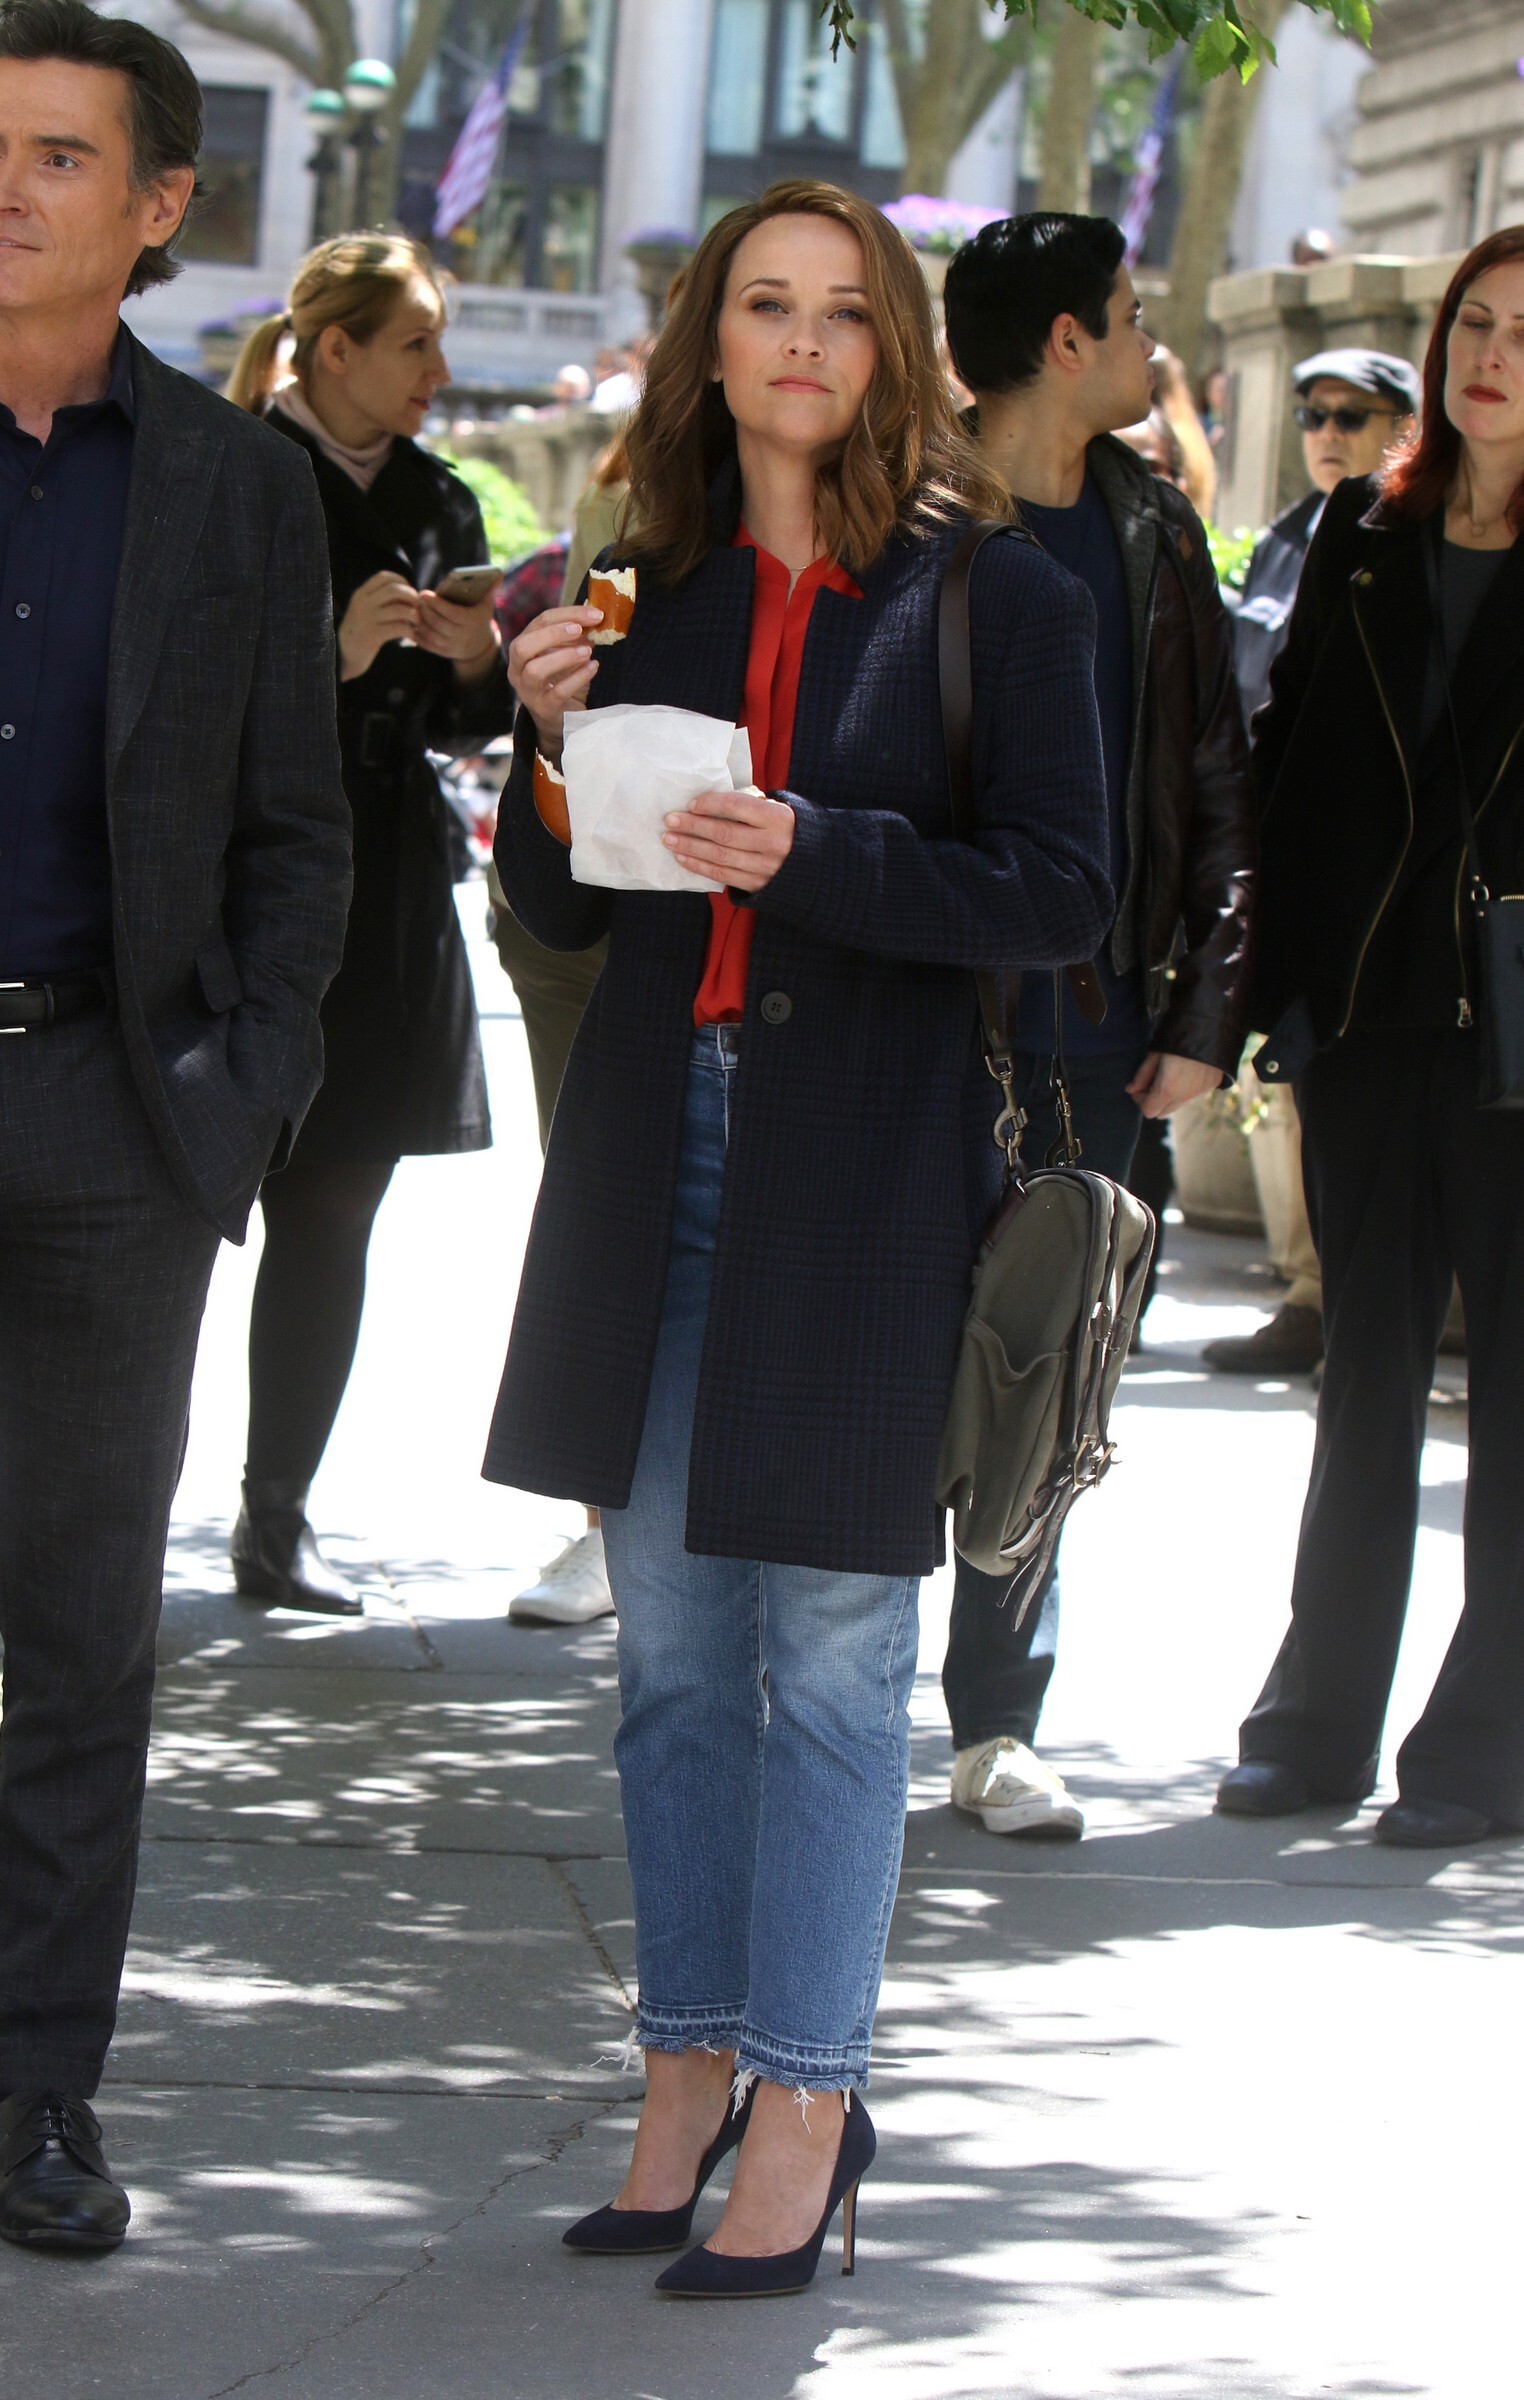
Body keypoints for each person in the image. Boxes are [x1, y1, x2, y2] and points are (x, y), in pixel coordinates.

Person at [489, 178, 1111, 2293]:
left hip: (867, 1172)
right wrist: (545, 753)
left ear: (894, 349)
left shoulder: (994, 596)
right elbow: (561, 908)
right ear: (713, 338)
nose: (803, 342)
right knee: (671, 1664)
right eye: (766, 302)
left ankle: (811, 2103)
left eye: (847, 310)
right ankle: (683, 2077)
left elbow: (1061, 890)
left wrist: (813, 851)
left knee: (834, 1666)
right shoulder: (629, 583)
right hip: (653, 1161)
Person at [0, 0, 350, 2248]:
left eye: (55, 154)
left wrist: (233, 1099)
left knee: (76, 1641)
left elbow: (298, 834)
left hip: (111, 1119)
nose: (6, 187)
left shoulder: (237, 486)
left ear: (156, 206)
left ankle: (39, 2098)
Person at [939, 212, 1256, 1842]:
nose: (1151, 349)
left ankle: (998, 1724)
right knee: (887, 1354)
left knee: (1049, 1378)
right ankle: (840, 1685)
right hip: (924, 1017)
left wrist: (1206, 1009)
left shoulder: (1148, 524)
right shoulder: (906, 508)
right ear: (1063, 342)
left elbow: (1213, 779)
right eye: (1130, 319)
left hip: (1103, 1026)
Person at [1216, 227, 1524, 1849]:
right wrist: (1262, 990)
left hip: (1518, 1035)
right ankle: (1311, 1729)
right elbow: (1285, 769)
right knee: (1363, 1380)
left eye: (1523, 334)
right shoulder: (1356, 534)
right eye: (1472, 323)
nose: (1489, 357)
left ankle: (1481, 1755)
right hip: (1364, 1018)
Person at [224, 237, 512, 1613]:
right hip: (225, 884)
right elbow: (163, 697)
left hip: (385, 888)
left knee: (335, 1208)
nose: (439, 373)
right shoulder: (225, 472)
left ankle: (275, 1515)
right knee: (158, 1220)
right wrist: (330, 658)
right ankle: (82, 1516)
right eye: (415, 344)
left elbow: (465, 727)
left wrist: (478, 661)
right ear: (332, 349)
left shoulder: (439, 497)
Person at [1205, 345, 1420, 1382]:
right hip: (1283, 858)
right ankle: (1309, 1294)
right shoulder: (1296, 537)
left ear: (1401, 424)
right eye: (1312, 415)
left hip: (1390, 894)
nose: (1328, 434)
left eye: (1351, 415)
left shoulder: (1412, 536)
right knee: (1289, 1091)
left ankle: (1334, 1301)